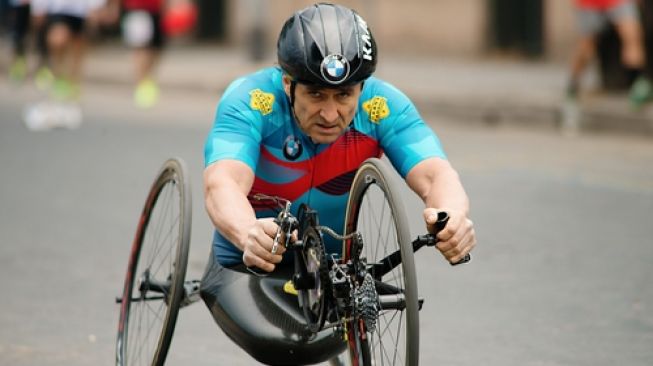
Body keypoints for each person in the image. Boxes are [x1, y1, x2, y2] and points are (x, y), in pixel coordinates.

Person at [199, 3, 476, 363]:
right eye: (315, 95)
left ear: (360, 88)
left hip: (331, 269)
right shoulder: (252, 101)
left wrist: (452, 215)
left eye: (344, 95)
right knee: (285, 346)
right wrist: (246, 231)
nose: (330, 114)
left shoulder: (382, 105)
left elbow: (437, 174)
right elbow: (222, 183)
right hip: (249, 263)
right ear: (288, 84)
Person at [567, 0, 652, 107]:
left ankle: (641, 82)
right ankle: (572, 83)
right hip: (590, 4)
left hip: (617, 2)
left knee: (632, 36)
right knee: (586, 49)